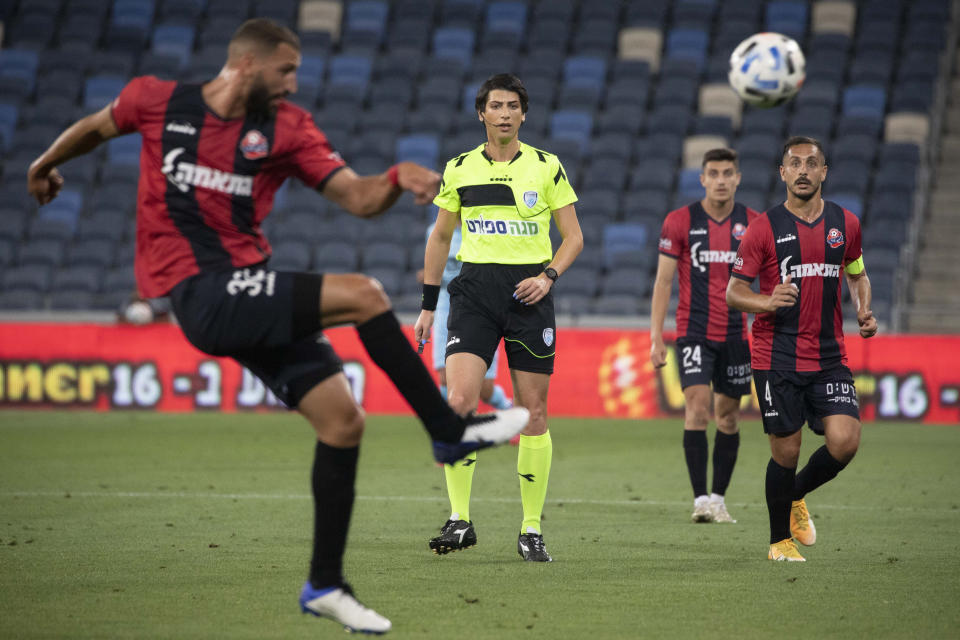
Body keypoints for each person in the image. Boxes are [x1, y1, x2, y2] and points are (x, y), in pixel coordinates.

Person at [26, 19, 529, 634]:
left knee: (343, 422)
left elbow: (358, 198)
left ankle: (325, 584)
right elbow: (97, 127)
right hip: (199, 292)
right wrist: (46, 162)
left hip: (247, 291)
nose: (293, 83)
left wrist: (396, 179)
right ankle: (448, 431)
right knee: (365, 295)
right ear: (245, 65)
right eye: (285, 71)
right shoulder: (157, 101)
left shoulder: (287, 129)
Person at [414, 73, 583, 563]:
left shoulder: (547, 167)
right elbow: (441, 239)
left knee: (533, 416)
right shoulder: (459, 168)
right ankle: (460, 519)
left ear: (523, 114)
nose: (505, 114)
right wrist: (428, 305)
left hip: (530, 297)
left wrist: (548, 276)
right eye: (496, 106)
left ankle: (531, 528)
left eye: (513, 106)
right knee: (460, 401)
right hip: (473, 296)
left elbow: (573, 237)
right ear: (482, 113)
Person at [726, 136, 877, 562]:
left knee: (845, 441)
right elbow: (734, 292)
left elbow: (857, 272)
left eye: (812, 163)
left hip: (830, 355)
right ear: (783, 173)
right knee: (786, 450)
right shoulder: (763, 228)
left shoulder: (845, 223)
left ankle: (793, 496)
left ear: (824, 172)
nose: (804, 170)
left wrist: (864, 310)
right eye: (795, 164)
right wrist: (766, 301)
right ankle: (779, 543)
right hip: (777, 356)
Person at [650, 148, 759, 524]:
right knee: (696, 409)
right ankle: (700, 501)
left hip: (735, 336)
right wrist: (655, 337)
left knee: (728, 417)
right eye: (714, 173)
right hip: (692, 331)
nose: (721, 180)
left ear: (738, 178)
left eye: (728, 173)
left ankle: (718, 498)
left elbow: (772, 280)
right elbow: (664, 280)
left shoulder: (754, 224)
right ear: (702, 179)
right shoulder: (680, 221)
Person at [421, 222, 514, 413]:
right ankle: (456, 424)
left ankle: (507, 408)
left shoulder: (483, 228)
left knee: (484, 388)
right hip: (446, 302)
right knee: (445, 376)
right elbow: (434, 265)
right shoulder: (434, 231)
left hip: (478, 304)